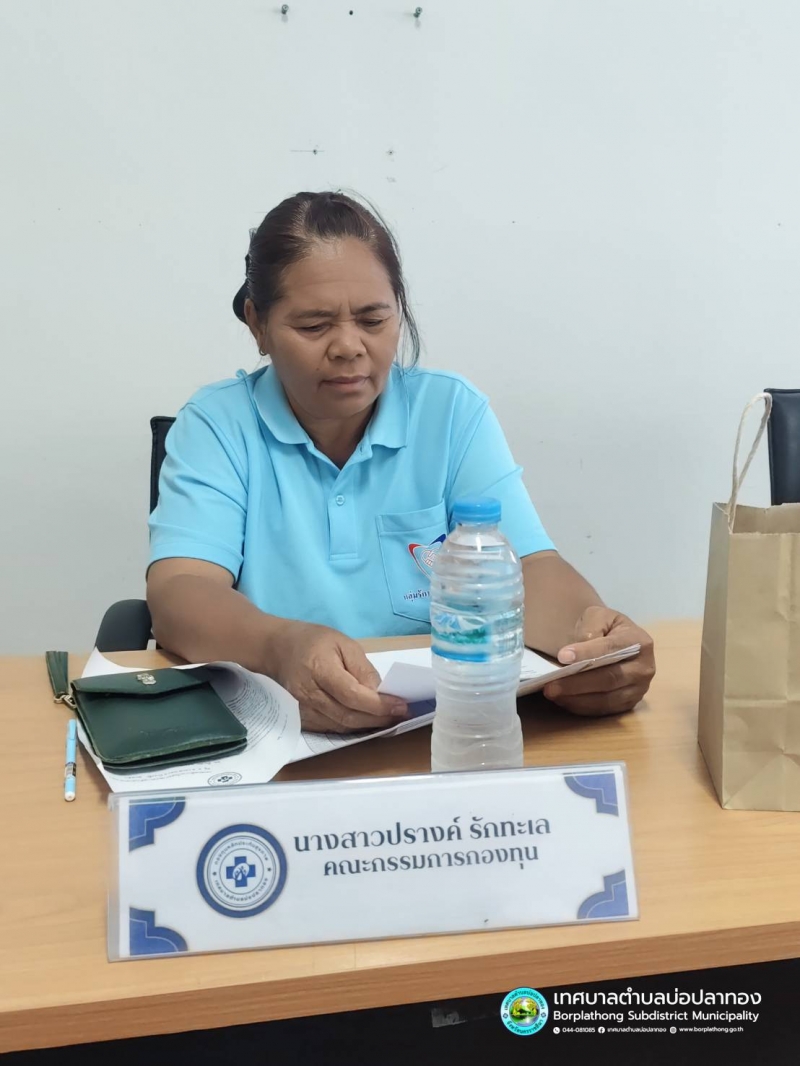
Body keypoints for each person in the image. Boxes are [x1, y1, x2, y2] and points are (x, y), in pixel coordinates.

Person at [147, 191, 655, 733]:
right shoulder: (218, 425)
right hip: (284, 735)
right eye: (314, 326)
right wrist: (278, 647)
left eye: (373, 319)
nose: (348, 346)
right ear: (258, 324)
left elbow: (526, 568)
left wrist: (591, 641)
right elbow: (181, 591)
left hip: (439, 732)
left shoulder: (449, 412)